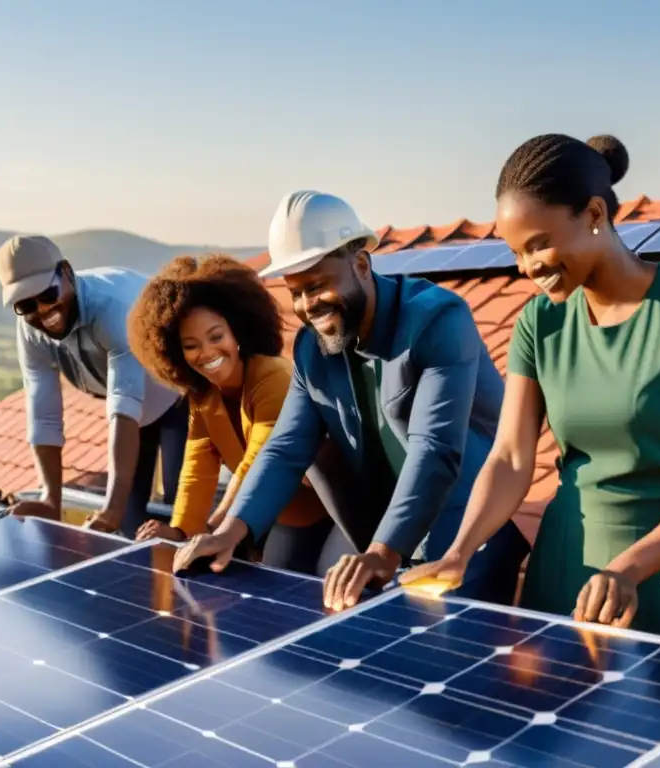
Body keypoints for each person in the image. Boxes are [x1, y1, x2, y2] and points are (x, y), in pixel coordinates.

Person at [400, 134, 660, 736]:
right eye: (517, 252)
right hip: (568, 570)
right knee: (568, 740)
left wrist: (628, 570)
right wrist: (461, 549)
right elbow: (513, 455)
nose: (527, 268)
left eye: (540, 244)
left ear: (595, 214)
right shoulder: (539, 323)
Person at [173, 190, 530, 610]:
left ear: (361, 265)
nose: (308, 305)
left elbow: (435, 450)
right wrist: (231, 530)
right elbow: (287, 448)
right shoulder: (312, 348)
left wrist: (383, 550)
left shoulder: (438, 320)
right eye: (297, 292)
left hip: (467, 539)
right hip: (388, 540)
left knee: (454, 662)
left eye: (318, 286)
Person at [126, 254, 335, 575]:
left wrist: (213, 528)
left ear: (237, 332)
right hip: (274, 519)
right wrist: (180, 530)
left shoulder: (273, 376)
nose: (207, 353)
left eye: (216, 336)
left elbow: (260, 461)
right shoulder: (203, 397)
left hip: (331, 515)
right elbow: (197, 470)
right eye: (191, 345)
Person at [0, 234, 188, 537]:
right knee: (127, 526)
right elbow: (43, 412)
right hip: (133, 416)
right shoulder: (30, 330)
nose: (42, 311)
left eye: (48, 294)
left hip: (179, 397)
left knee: (182, 514)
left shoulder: (114, 308)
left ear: (67, 273)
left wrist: (111, 508)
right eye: (26, 304)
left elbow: (124, 406)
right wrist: (49, 498)